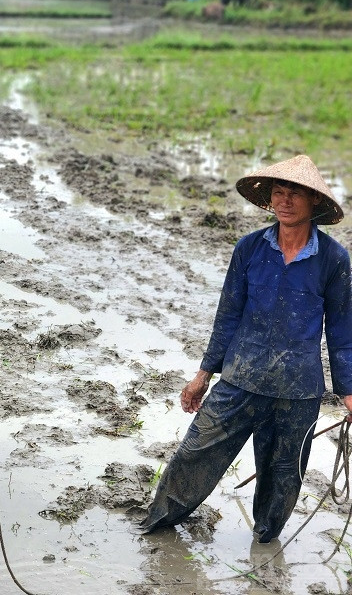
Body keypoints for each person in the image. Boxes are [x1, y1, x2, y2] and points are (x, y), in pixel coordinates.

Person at [137, 154, 352, 543]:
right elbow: (228, 316)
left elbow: (342, 332)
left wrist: (349, 394)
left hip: (297, 390)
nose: (284, 201)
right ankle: (156, 523)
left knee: (282, 476)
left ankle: (265, 545)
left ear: (315, 203)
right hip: (240, 378)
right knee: (195, 453)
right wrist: (203, 375)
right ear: (269, 199)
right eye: (278, 193)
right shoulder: (250, 248)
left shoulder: (334, 260)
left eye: (294, 195)